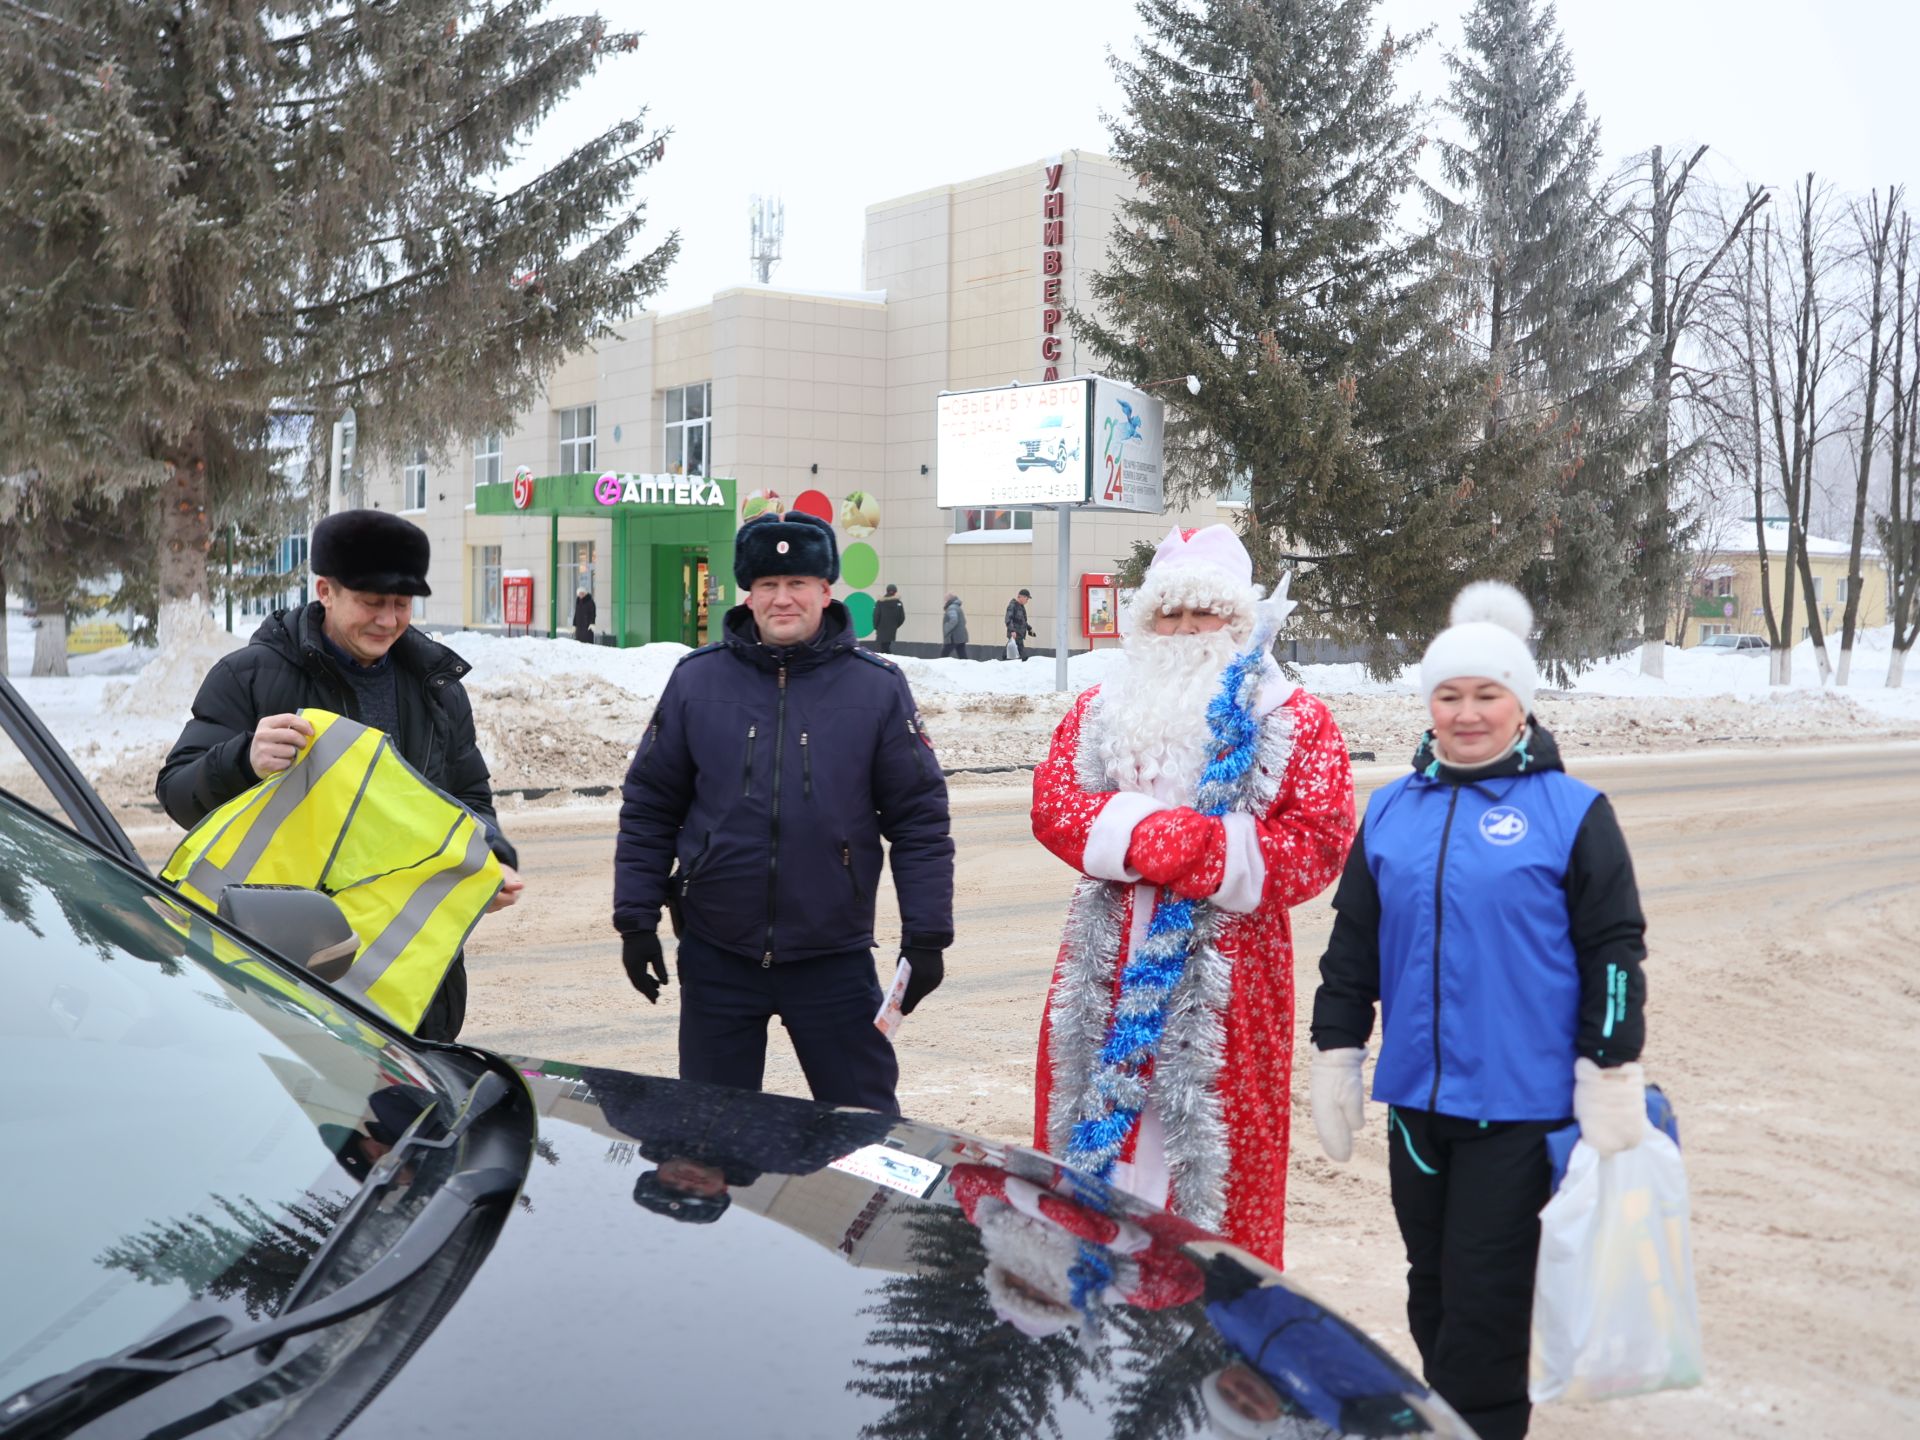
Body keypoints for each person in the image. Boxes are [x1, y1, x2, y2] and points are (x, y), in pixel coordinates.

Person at [1308, 581, 1650, 1440]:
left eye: (1487, 695)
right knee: (1432, 1293)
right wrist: (1338, 1052)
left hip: (1521, 1113)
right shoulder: (1388, 811)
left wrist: (1610, 1066)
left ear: (1521, 704)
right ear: (1428, 705)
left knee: (1485, 1308)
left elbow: (1614, 949)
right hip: (1419, 1109)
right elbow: (1353, 947)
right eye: (1449, 696)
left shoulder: (1572, 814)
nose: (1467, 714)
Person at [1030, 525, 1355, 1269]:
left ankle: (1213, 1307)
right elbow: (1055, 804)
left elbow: (1318, 841)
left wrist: (1211, 853)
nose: (1182, 632)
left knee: (1213, 1148)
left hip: (1228, 982)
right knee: (1090, 1130)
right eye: (1167, 616)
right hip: (1104, 963)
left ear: (1237, 622)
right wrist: (1146, 836)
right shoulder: (1101, 708)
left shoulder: (1292, 717)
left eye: (1200, 615)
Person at [613, 509, 955, 1113]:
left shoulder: (875, 687)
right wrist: (636, 919)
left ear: (827, 590)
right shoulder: (696, 681)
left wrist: (926, 936)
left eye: (798, 583)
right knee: (711, 1142)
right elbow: (650, 805)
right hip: (718, 955)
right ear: (749, 594)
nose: (783, 598)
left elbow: (918, 818)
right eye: (768, 585)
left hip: (834, 958)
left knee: (865, 1132)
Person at [157, 509, 523, 1042]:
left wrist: (491, 856)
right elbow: (177, 792)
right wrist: (243, 760)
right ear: (325, 591)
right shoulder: (250, 675)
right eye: (372, 603)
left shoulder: (436, 689)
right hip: (279, 970)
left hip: (403, 983)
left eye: (401, 605)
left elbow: (467, 796)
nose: (389, 620)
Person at [872, 583, 905, 654]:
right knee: (888, 647)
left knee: (880, 651)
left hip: (881, 630)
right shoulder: (898, 603)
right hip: (892, 631)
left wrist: (876, 627)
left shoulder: (880, 602)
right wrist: (895, 626)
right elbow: (902, 618)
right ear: (895, 592)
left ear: (886, 591)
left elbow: (876, 615)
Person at [1004, 587, 1036, 661]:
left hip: (1019, 636)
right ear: (1021, 597)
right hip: (1015, 635)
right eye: (1027, 598)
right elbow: (1008, 619)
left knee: (1011, 655)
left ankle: (1004, 665)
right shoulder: (1013, 605)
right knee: (1021, 656)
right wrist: (1012, 631)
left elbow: (1023, 621)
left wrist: (1029, 628)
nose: (1027, 601)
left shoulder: (1021, 607)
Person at [940, 593, 969, 659]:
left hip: (953, 637)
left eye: (945, 600)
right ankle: (966, 668)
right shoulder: (957, 607)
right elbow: (964, 621)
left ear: (949, 600)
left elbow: (954, 620)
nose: (944, 602)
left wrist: (946, 627)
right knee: (962, 656)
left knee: (943, 656)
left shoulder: (951, 608)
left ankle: (940, 668)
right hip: (960, 636)